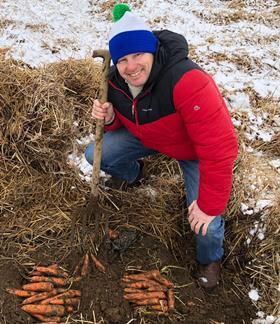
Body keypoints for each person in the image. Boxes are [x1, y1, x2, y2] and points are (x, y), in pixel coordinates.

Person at [85, 3, 238, 290]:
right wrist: (111, 118)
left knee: (205, 223)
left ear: (152, 50)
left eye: (138, 55)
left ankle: (210, 259)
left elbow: (220, 148)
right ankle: (133, 174)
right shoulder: (116, 80)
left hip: (193, 152)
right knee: (95, 154)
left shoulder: (188, 81)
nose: (131, 67)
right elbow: (128, 119)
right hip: (150, 138)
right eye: (123, 60)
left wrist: (208, 206)